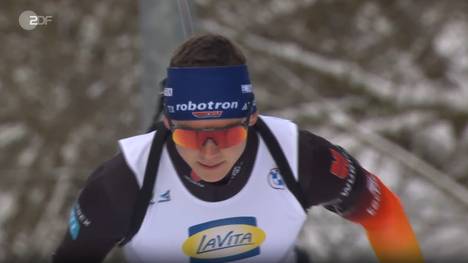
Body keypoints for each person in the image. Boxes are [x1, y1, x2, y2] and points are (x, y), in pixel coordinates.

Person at [52, 33, 424, 263]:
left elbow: (383, 212)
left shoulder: (297, 155)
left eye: (226, 136)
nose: (209, 152)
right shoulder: (123, 182)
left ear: (251, 120)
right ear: (168, 124)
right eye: (190, 137)